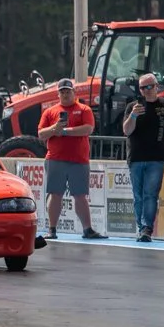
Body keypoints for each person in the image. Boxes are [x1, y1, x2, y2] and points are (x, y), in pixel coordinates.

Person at [122, 72, 164, 242]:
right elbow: (127, 131)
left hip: (156, 158)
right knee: (138, 196)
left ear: (157, 86)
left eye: (150, 86)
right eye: (143, 88)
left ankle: (147, 228)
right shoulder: (132, 106)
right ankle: (141, 227)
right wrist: (133, 116)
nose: (147, 90)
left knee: (150, 194)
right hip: (136, 157)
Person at [39, 78, 104, 239]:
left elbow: (88, 129)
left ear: (74, 92)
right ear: (58, 94)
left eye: (68, 91)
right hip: (55, 159)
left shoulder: (84, 109)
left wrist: (65, 131)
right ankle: (52, 229)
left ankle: (87, 229)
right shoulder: (49, 112)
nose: (65, 94)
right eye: (62, 92)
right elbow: (41, 134)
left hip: (79, 160)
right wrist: (54, 128)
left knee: (80, 195)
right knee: (55, 194)